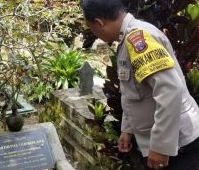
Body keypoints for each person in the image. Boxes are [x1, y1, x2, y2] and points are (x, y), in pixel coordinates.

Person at [80, 0, 199, 169]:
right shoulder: (127, 38)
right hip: (171, 142)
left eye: (92, 29)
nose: (95, 34)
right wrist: (127, 129)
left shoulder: (138, 39)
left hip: (179, 145)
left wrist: (161, 146)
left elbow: (169, 91)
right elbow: (135, 93)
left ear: (99, 23)